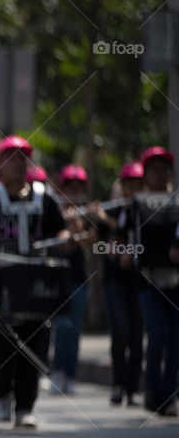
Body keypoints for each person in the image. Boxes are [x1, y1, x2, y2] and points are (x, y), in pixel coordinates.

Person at [0, 135, 69, 429]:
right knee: (0, 341)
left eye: (23, 158)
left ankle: (26, 406)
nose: (17, 164)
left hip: (35, 282)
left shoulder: (44, 198)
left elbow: (61, 230)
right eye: (11, 158)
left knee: (36, 341)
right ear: (0, 163)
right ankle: (1, 396)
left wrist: (62, 242)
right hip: (0, 281)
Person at [93, 161, 145, 406]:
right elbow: (99, 245)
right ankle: (118, 384)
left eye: (138, 183)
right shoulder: (112, 211)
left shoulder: (145, 211)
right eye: (130, 183)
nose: (134, 188)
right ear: (123, 186)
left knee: (137, 336)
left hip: (139, 282)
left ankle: (133, 388)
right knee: (121, 332)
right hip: (114, 282)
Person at [132, 147, 179, 416]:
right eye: (154, 169)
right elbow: (123, 239)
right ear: (146, 174)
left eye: (164, 168)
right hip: (148, 283)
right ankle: (152, 393)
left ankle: (169, 397)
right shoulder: (137, 205)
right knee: (158, 334)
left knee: (174, 341)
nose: (159, 174)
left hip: (175, 283)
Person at [49, 164, 98, 395]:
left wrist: (77, 225)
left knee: (75, 329)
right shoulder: (53, 213)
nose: (75, 190)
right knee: (60, 328)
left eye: (79, 186)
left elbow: (88, 245)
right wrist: (67, 225)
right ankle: (57, 371)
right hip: (58, 279)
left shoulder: (89, 215)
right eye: (71, 186)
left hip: (79, 279)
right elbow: (63, 246)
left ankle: (71, 374)